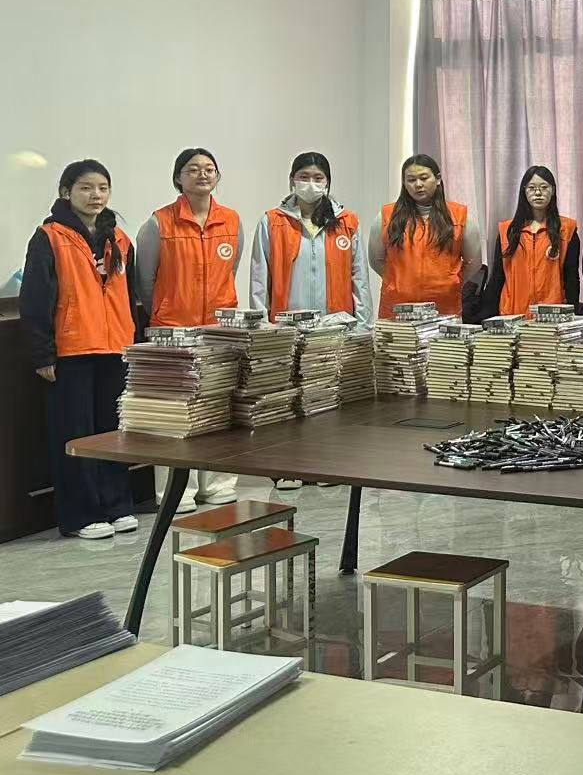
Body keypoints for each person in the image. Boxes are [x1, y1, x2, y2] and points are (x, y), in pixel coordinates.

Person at [20, 161, 138, 539]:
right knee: (76, 434)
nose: (95, 196)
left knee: (113, 431)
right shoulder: (49, 236)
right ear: (66, 192)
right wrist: (43, 354)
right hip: (72, 350)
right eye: (86, 188)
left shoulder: (119, 239)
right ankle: (81, 515)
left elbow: (129, 296)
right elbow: (35, 299)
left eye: (102, 188)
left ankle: (117, 506)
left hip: (115, 348)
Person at [135, 147, 242, 512]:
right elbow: (145, 281)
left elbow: (231, 270)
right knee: (172, 414)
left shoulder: (231, 220)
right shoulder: (158, 223)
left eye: (209, 169)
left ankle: (218, 483)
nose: (202, 175)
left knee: (218, 405)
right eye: (193, 169)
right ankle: (175, 491)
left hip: (218, 330)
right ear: (178, 178)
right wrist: (165, 310)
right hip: (172, 330)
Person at [250, 152, 371, 326]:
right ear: (292, 180)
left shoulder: (347, 222)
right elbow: (259, 281)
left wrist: (363, 327)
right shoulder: (272, 222)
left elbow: (360, 279)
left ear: (327, 182)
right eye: (304, 177)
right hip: (286, 329)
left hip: (336, 328)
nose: (311, 183)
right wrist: (261, 327)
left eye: (318, 178)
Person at [370, 154, 480, 320]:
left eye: (424, 178)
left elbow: (473, 262)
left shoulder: (460, 217)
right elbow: (376, 260)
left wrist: (452, 281)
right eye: (411, 180)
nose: (418, 185)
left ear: (437, 179)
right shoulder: (386, 216)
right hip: (397, 307)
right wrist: (396, 282)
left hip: (444, 307)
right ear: (404, 183)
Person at [482, 165, 581, 319]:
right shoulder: (508, 231)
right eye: (532, 188)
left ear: (553, 190)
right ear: (524, 191)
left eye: (544, 187)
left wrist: (572, 316)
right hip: (512, 316)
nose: (538, 193)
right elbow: (497, 278)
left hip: (552, 318)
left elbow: (572, 279)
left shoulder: (566, 230)